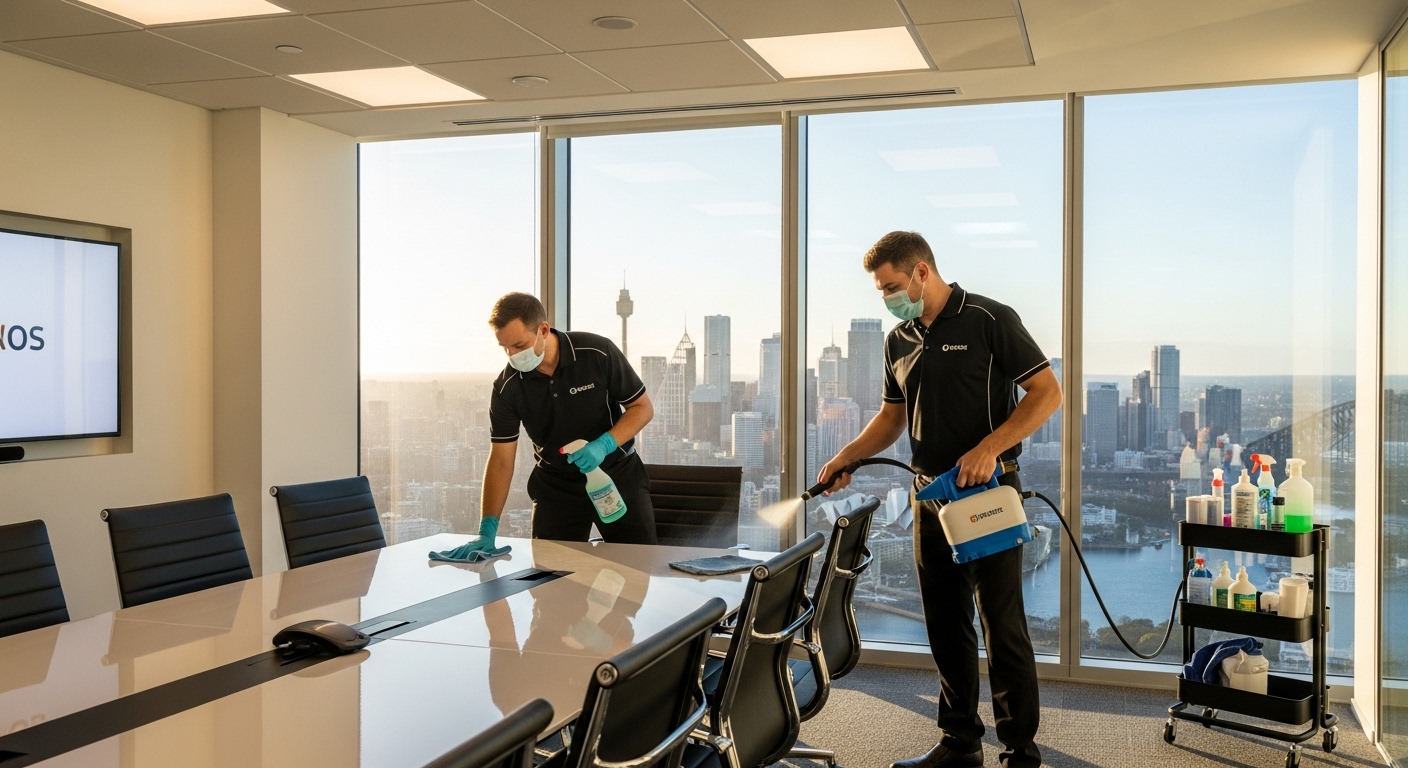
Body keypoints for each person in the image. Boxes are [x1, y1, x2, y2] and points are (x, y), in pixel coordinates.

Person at [818, 232, 1061, 768]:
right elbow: (892, 417)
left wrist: (990, 448)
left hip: (989, 493)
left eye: (891, 287)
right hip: (930, 498)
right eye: (881, 291)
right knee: (946, 625)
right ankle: (960, 742)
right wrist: (847, 456)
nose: (887, 298)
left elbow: (1048, 393)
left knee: (1002, 625)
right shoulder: (898, 339)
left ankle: (1020, 749)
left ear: (921, 272)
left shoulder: (990, 319)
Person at [453, 292, 658, 556]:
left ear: (543, 330)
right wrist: (487, 529)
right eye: (505, 348)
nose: (512, 355)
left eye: (519, 345)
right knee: (549, 574)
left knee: (639, 564)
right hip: (556, 489)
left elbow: (642, 408)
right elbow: (501, 459)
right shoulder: (507, 387)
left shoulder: (596, 352)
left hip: (618, 475)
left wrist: (604, 445)